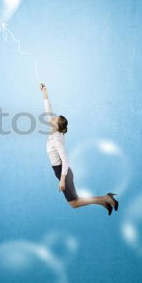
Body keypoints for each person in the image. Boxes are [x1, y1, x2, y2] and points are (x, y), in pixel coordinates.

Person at [40, 83, 119, 216]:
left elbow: (65, 160)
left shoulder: (57, 139)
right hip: (58, 171)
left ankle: (106, 198)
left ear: (57, 126)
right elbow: (48, 111)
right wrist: (45, 93)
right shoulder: (53, 131)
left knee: (74, 203)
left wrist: (62, 179)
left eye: (54, 119)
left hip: (62, 171)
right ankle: (104, 202)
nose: (51, 118)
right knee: (74, 201)